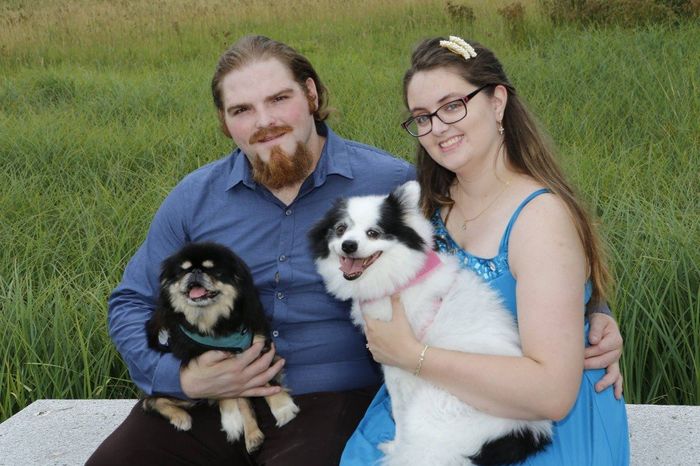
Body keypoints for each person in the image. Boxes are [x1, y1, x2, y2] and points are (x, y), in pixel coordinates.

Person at [87, 35, 624, 466]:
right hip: (207, 393)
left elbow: (490, 252)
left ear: (312, 95)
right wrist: (181, 378)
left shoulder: (386, 184)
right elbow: (130, 302)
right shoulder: (194, 197)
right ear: (226, 122)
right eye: (242, 109)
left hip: (327, 399)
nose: (264, 122)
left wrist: (592, 316)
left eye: (279, 99)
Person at [341, 36, 629, 465]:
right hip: (439, 402)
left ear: (497, 102)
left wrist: (410, 355)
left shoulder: (540, 219)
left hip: (527, 431)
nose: (437, 127)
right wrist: (596, 313)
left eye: (452, 105)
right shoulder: (426, 210)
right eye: (422, 117)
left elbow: (552, 394)